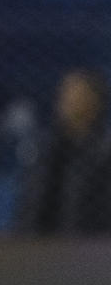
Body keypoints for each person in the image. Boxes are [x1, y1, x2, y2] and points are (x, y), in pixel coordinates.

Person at [20, 68, 111, 234]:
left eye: (78, 94)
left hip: (93, 243)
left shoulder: (105, 151)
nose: (68, 101)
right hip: (44, 243)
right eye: (66, 93)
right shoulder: (46, 149)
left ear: (96, 100)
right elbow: (31, 206)